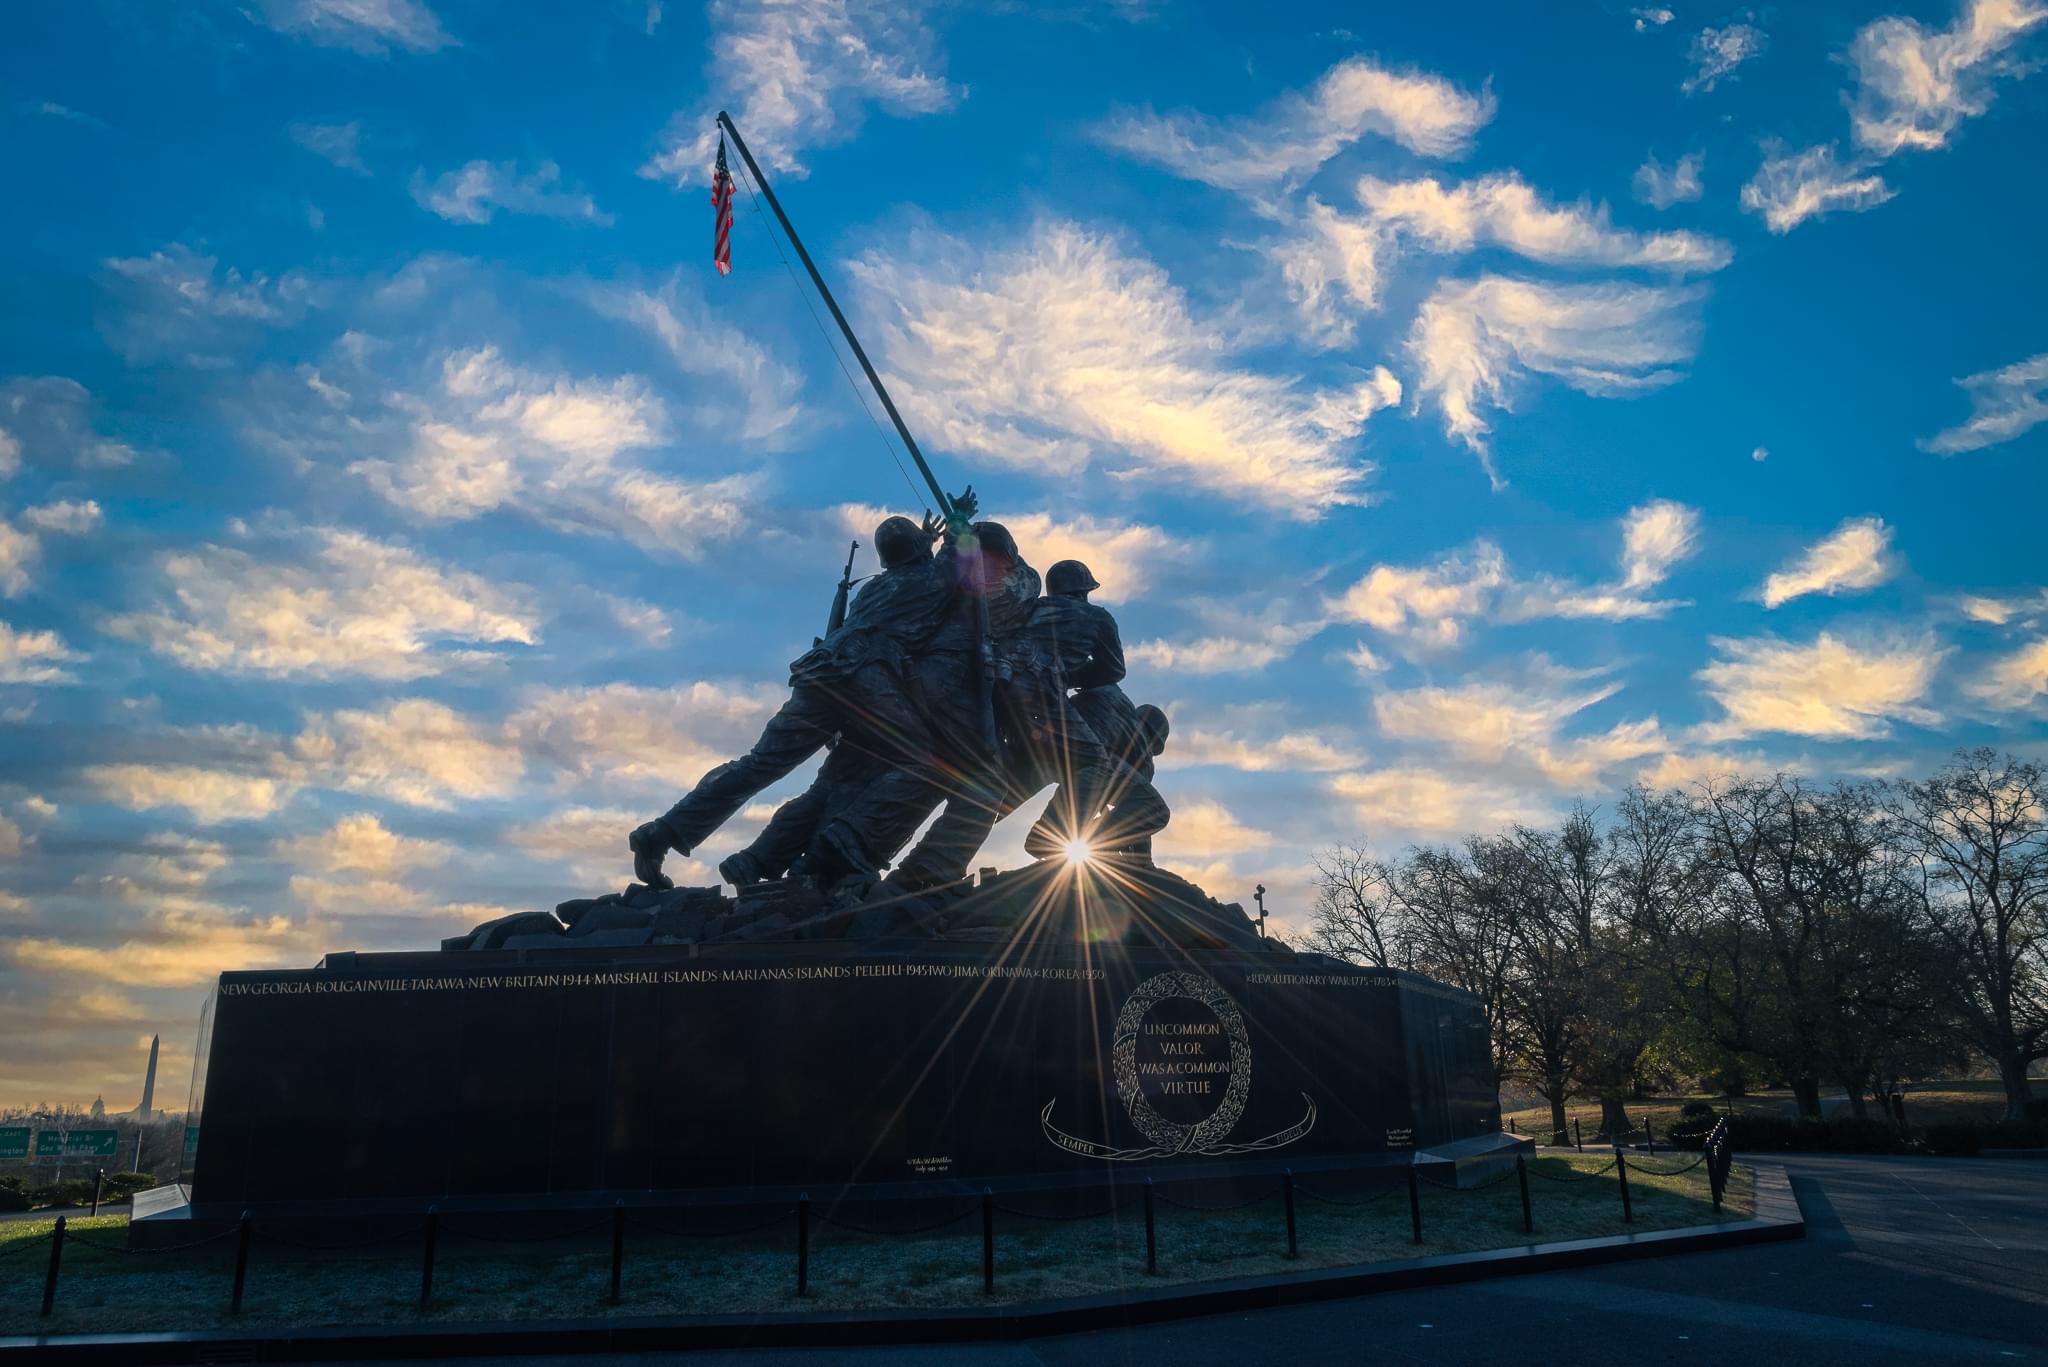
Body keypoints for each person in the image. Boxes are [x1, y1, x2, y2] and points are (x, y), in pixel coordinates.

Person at [629, 514, 951, 889]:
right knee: (927, 759)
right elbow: (956, 561)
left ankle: (662, 833)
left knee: (758, 765)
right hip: (865, 679)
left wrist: (925, 541)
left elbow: (918, 562)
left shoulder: (876, 588)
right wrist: (950, 531)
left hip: (821, 672)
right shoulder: (926, 580)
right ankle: (848, 844)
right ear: (916, 551)